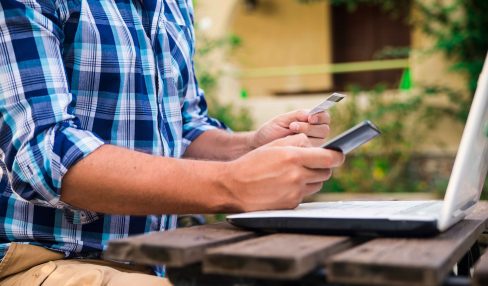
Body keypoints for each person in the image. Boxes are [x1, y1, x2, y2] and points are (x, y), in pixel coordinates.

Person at [0, 0, 344, 285]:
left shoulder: (175, 6)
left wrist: (252, 148)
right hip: (36, 259)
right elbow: (44, 154)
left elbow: (184, 130)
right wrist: (232, 184)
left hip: (154, 261)